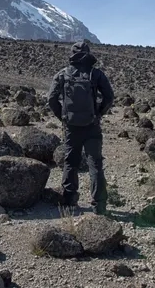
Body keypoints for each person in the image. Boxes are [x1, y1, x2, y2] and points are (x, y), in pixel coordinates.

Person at [48, 40, 114, 214]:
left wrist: (63, 117)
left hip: (71, 127)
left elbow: (51, 99)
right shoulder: (96, 74)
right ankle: (99, 205)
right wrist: (98, 113)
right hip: (92, 126)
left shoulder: (62, 74)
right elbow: (109, 96)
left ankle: (69, 201)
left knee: (70, 162)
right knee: (95, 165)